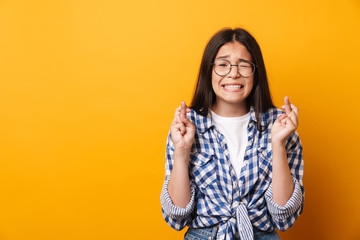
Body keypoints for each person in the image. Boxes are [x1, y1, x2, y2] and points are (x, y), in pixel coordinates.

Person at [160, 28, 304, 240]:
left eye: (244, 65)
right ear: (208, 71)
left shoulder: (281, 125)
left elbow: (284, 216)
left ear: (256, 73)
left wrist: (278, 144)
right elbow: (177, 216)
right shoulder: (187, 126)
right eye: (223, 65)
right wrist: (181, 151)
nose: (234, 73)